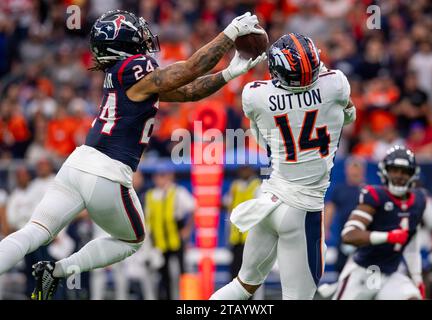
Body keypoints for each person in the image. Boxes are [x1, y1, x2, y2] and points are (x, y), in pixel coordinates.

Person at [0, 9, 266, 300]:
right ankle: (59, 270)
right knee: (132, 240)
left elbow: (188, 91)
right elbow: (189, 69)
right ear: (125, 43)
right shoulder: (134, 68)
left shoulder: (124, 75)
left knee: (33, 233)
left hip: (76, 165)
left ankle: (52, 270)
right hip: (108, 172)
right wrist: (228, 34)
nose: (144, 38)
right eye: (137, 34)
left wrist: (229, 73)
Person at [210, 33, 356, 300]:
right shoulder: (336, 84)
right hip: (303, 210)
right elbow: (349, 115)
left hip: (269, 200)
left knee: (242, 286)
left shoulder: (255, 95)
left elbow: (258, 134)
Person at [333, 146, 426, 300]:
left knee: (412, 297)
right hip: (363, 270)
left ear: (413, 174)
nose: (399, 176)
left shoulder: (418, 201)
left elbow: (411, 243)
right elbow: (349, 235)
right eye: (394, 170)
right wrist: (387, 237)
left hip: (391, 273)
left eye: (404, 171)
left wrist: (417, 278)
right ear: (385, 171)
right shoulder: (376, 196)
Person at [144, 169, 195, 300]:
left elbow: (193, 208)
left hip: (175, 240)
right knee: (163, 276)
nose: (160, 179)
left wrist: (187, 230)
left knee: (181, 273)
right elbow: (148, 221)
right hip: (159, 243)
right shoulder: (150, 195)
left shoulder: (177, 192)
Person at [325, 156, 366, 274]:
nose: (354, 171)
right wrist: (325, 228)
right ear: (347, 170)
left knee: (361, 266)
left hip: (363, 235)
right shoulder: (340, 189)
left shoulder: (367, 190)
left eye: (357, 168)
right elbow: (330, 208)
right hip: (344, 235)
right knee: (341, 266)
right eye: (352, 168)